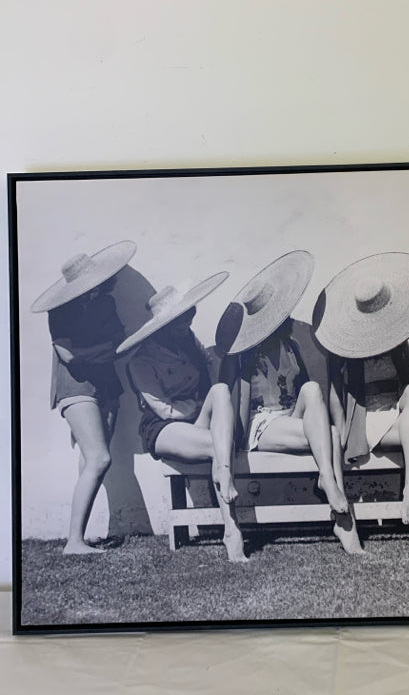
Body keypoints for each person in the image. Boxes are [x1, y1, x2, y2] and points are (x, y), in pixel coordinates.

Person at [215, 251, 362, 554]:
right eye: (283, 315)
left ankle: (327, 481)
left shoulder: (291, 346)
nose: (290, 318)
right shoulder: (240, 355)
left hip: (289, 417)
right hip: (261, 425)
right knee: (331, 436)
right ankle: (344, 522)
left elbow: (309, 398)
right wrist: (237, 443)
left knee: (311, 390)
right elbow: (227, 406)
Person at [315, 252, 409, 555]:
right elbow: (334, 391)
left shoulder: (396, 339)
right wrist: (342, 430)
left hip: (396, 417)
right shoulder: (343, 345)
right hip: (364, 421)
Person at [118, 272, 249, 563]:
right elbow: (165, 410)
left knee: (219, 390)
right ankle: (232, 530)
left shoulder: (189, 341)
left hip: (195, 420)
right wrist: (199, 407)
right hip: (164, 428)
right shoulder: (141, 362)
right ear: (162, 327)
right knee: (218, 444)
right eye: (179, 323)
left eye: (187, 319)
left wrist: (214, 407)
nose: (186, 326)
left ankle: (224, 472)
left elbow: (211, 373)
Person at [31, 241, 137, 555]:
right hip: (75, 386)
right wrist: (101, 353)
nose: (95, 289)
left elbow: (119, 340)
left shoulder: (106, 302)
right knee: (100, 458)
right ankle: (73, 543)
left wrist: (95, 354)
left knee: (89, 460)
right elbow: (67, 356)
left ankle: (78, 537)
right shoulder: (60, 310)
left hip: (106, 384)